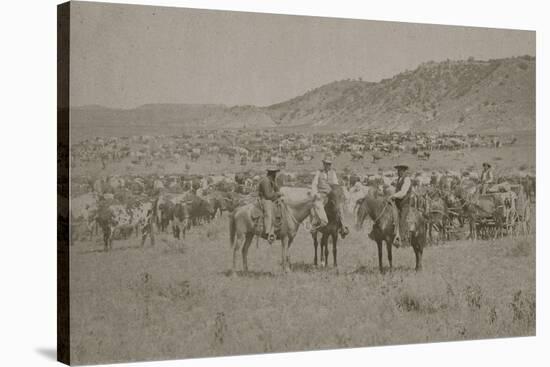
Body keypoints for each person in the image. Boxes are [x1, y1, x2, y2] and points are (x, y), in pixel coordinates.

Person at [310, 153, 347, 232]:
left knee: (339, 207)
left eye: (329, 164)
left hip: (331, 195)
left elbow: (335, 184)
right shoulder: (319, 172)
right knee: (318, 206)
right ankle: (314, 224)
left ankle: (343, 227)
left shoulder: (333, 173)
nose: (328, 166)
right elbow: (314, 184)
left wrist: (338, 193)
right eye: (326, 164)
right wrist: (316, 194)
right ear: (323, 164)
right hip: (321, 194)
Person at [389, 164, 412, 247]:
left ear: (404, 171)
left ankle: (402, 240)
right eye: (397, 170)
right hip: (397, 203)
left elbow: (403, 193)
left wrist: (393, 196)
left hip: (404, 204)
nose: (398, 172)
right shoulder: (399, 179)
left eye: (399, 170)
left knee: (402, 220)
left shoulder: (407, 179)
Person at [258, 166, 283, 244]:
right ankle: (268, 232)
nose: (276, 174)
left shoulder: (271, 180)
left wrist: (279, 193)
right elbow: (267, 195)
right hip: (265, 200)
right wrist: (277, 194)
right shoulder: (265, 181)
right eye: (275, 173)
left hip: (271, 198)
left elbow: (276, 189)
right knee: (268, 213)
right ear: (271, 173)